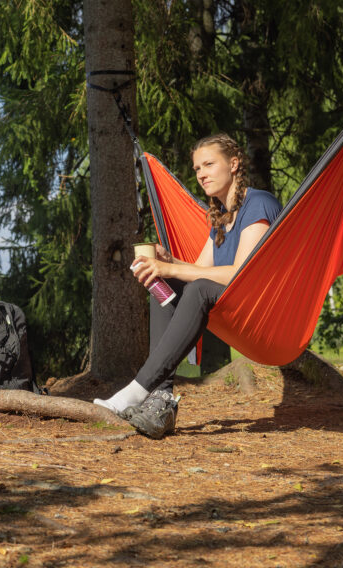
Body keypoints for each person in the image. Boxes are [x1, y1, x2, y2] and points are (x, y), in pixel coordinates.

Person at [94, 133, 282, 438]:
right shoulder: (219, 217)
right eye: (197, 169)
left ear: (234, 164)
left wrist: (171, 267)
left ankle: (137, 390)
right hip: (225, 305)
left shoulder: (258, 203)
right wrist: (168, 263)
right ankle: (162, 399)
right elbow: (202, 270)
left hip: (261, 313)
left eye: (209, 164)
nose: (202, 174)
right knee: (165, 281)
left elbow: (240, 274)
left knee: (196, 287)